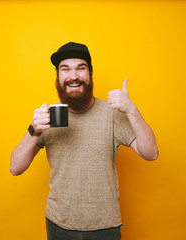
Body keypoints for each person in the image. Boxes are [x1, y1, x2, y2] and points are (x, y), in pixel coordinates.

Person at [10, 42, 159, 240]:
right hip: (59, 224)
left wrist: (132, 110)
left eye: (81, 68)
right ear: (58, 76)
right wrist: (33, 130)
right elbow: (15, 168)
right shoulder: (47, 116)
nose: (74, 76)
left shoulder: (113, 112)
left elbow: (151, 153)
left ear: (90, 74)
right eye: (66, 69)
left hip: (105, 226)